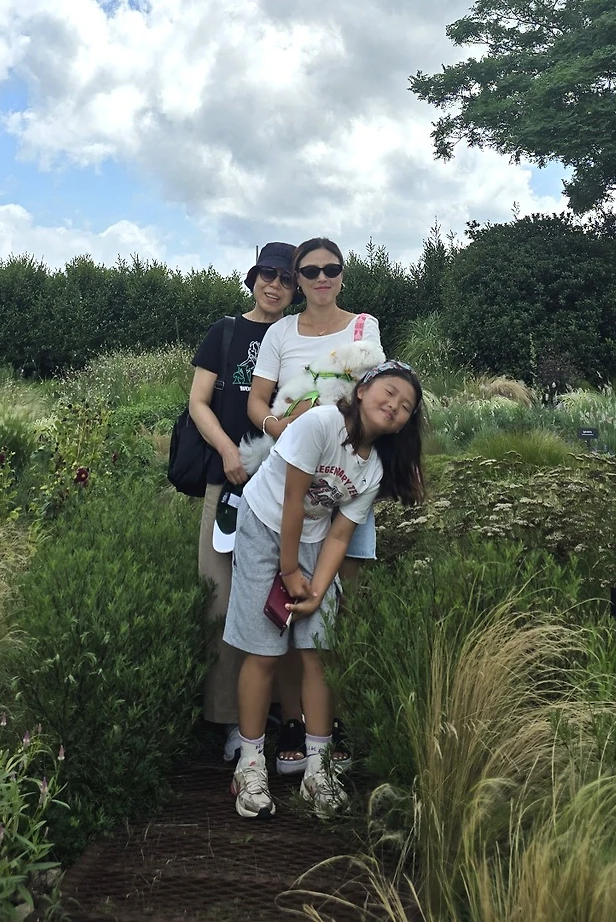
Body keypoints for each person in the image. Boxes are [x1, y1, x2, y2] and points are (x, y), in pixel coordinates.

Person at [225, 360, 424, 821]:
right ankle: (249, 766)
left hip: (313, 540)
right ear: (362, 390)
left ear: (405, 424)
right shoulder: (319, 423)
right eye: (389, 392)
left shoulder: (373, 469)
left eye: (405, 406)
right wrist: (289, 571)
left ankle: (318, 769)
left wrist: (315, 590)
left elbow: (339, 534)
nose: (394, 406)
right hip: (265, 524)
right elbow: (292, 500)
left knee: (319, 649)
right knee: (264, 650)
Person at [246, 236, 381, 775]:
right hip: (294, 479)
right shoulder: (280, 332)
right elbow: (258, 401)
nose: (321, 278)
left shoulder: (363, 328)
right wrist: (281, 428)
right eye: (310, 270)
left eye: (331, 268)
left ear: (343, 274)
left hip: (344, 485)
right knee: (283, 607)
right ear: (297, 279)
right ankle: (292, 724)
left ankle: (331, 725)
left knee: (333, 613)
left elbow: (373, 395)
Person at [189, 242, 301, 760]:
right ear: (253, 278)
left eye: (286, 278)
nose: (274, 285)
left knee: (282, 599)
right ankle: (230, 718)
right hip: (229, 482)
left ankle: (284, 714)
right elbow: (198, 402)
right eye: (267, 275)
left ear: (296, 288)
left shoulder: (298, 337)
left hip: (287, 490)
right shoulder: (225, 332)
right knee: (223, 597)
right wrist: (228, 450)